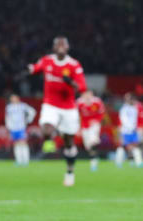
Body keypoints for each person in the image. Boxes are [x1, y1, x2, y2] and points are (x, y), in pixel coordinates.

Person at [28, 36, 87, 186]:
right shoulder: (47, 60)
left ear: (67, 47)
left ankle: (69, 172)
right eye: (57, 44)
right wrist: (31, 69)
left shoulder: (74, 65)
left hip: (68, 108)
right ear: (54, 48)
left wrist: (71, 82)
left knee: (69, 143)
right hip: (50, 104)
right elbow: (36, 68)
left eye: (63, 44)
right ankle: (49, 140)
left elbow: (82, 87)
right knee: (46, 128)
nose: (60, 46)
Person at [77, 90, 105, 171]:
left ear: (92, 95)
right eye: (85, 95)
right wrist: (78, 128)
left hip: (94, 124)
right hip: (85, 126)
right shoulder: (79, 103)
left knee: (93, 141)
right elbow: (76, 115)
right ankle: (95, 158)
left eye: (89, 95)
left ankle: (93, 163)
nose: (87, 97)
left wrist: (97, 120)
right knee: (88, 146)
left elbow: (101, 112)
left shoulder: (97, 102)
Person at [5, 94, 37, 166]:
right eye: (12, 99)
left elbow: (32, 111)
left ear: (18, 98)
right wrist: (8, 126)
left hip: (21, 127)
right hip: (13, 128)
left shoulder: (22, 106)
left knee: (23, 143)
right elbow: (7, 117)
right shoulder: (9, 107)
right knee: (16, 144)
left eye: (14, 98)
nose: (13, 100)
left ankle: (25, 160)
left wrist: (28, 120)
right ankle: (19, 160)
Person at [115, 93, 143, 168]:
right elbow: (121, 120)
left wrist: (139, 129)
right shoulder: (124, 108)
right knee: (123, 146)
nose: (127, 100)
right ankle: (119, 162)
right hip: (126, 131)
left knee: (134, 146)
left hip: (133, 130)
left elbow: (137, 120)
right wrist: (120, 130)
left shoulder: (135, 108)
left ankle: (138, 163)